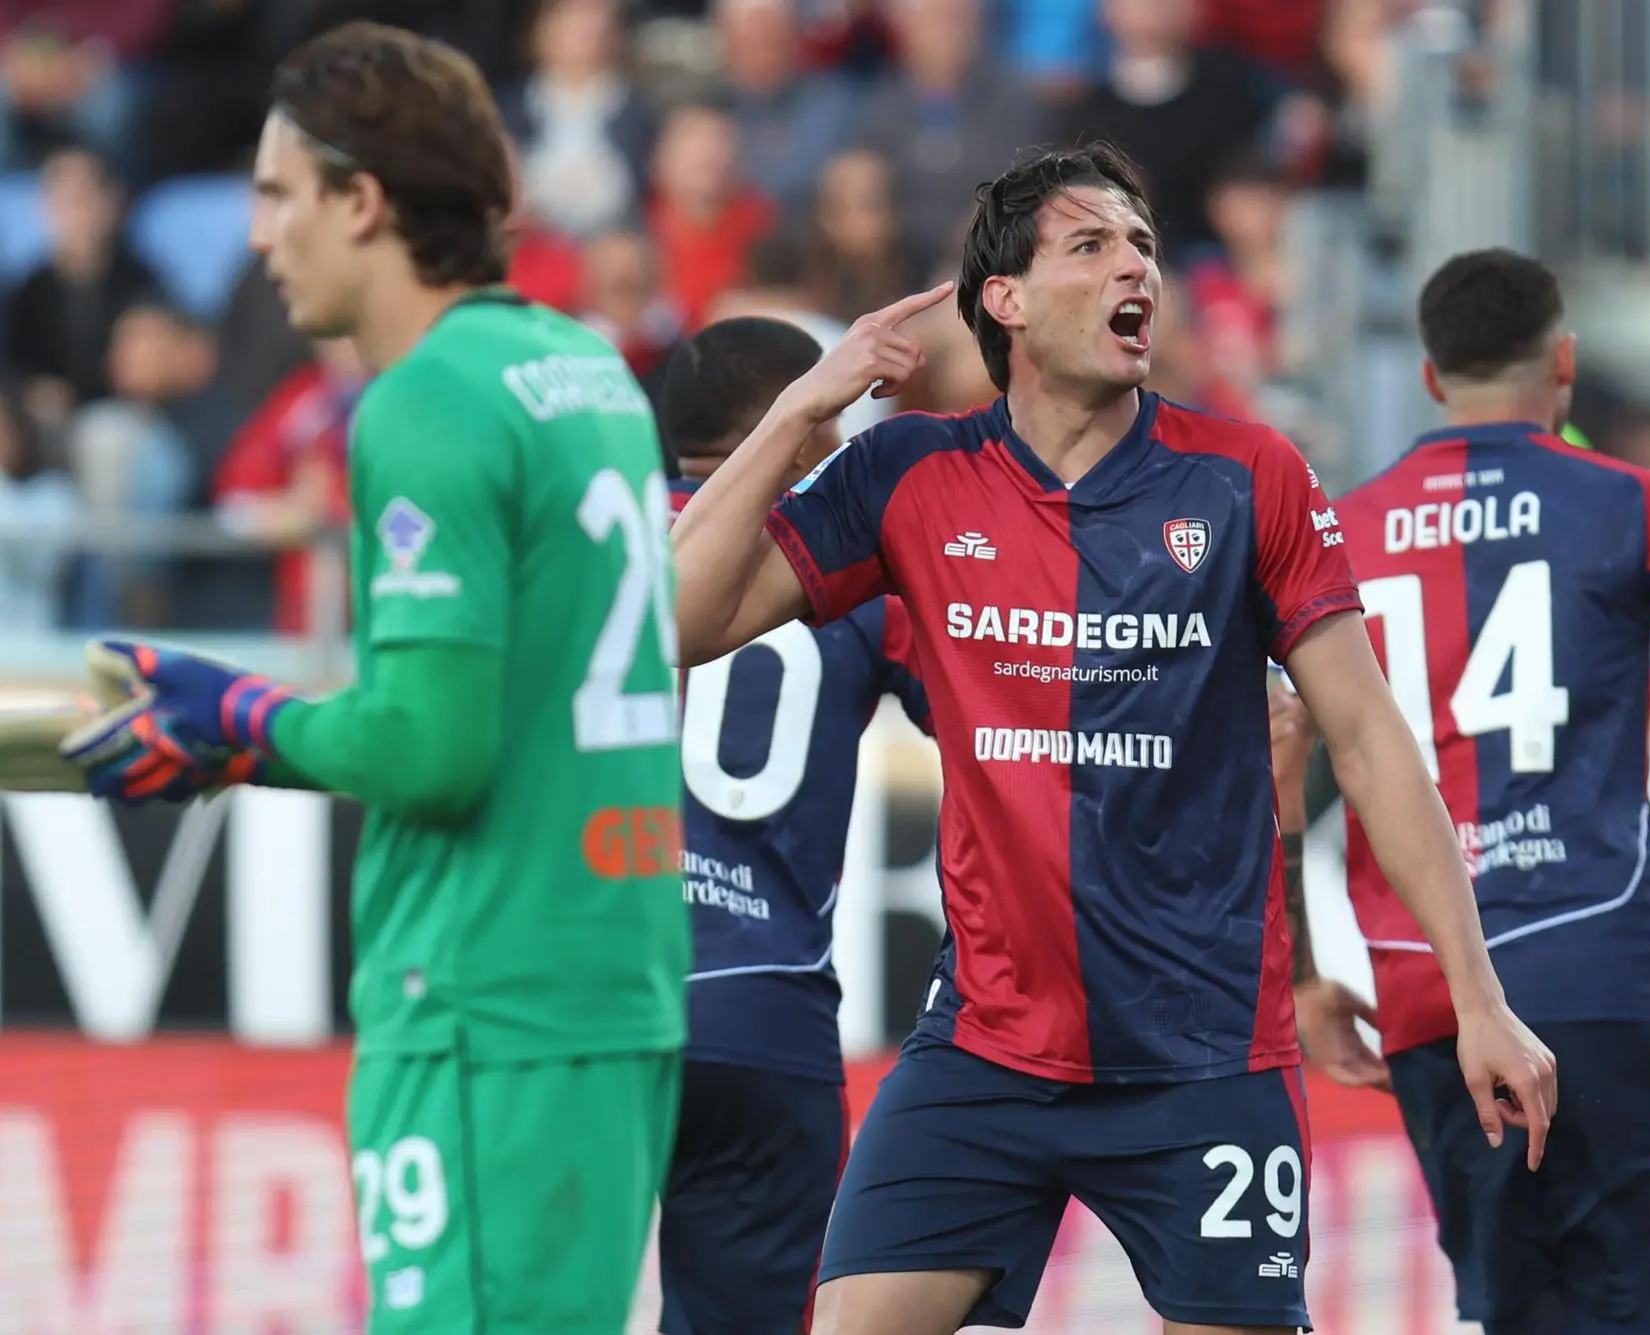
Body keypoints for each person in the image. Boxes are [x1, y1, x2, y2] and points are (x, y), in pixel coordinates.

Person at [671, 140, 1557, 1335]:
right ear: (1007, 300)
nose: (1135, 265)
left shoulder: (1246, 476)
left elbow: (1366, 738)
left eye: (1142, 244)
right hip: (982, 1050)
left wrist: (1478, 995)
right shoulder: (907, 472)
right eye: (1090, 245)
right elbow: (677, 622)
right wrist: (797, 410)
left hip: (1203, 1062)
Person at [59, 22, 687, 1333]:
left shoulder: (424, 401)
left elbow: (428, 750)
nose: (257, 236)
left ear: (362, 200)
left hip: (477, 996)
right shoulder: (585, 369)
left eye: (279, 193)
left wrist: (241, 720)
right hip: (613, 977)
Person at [1272, 247, 1650, 1335]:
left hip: (1425, 989)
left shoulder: (1340, 531)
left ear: (1428, 377)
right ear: (1563, 362)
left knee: (1514, 1313)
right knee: (1620, 1307)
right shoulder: (1637, 501)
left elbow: (1275, 750)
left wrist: (1303, 978)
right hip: (1600, 968)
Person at [656, 315, 930, 1335]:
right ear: (802, 429)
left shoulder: (583, 546)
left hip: (587, 990)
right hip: (763, 1010)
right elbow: (998, 723)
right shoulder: (847, 568)